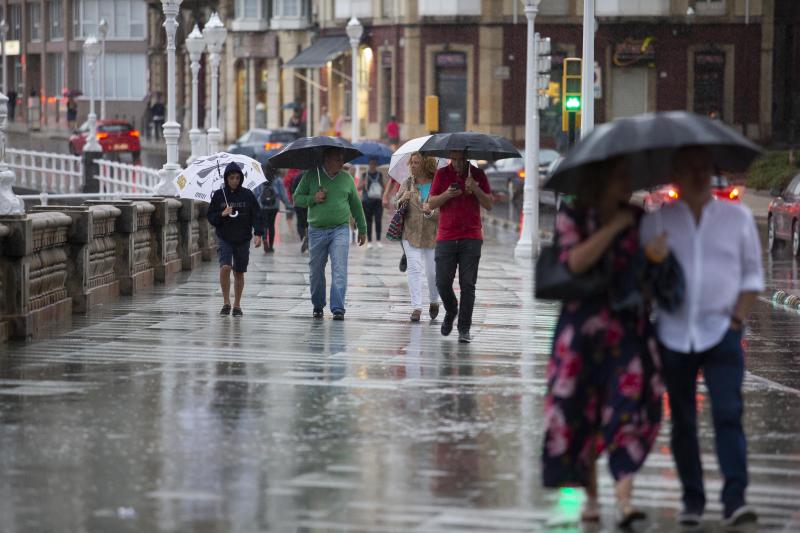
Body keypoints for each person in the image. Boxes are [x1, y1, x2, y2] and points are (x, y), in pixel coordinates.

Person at [542, 157, 678, 528]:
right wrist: (611, 229)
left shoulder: (638, 217)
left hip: (627, 329)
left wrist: (656, 259)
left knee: (630, 410)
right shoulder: (574, 215)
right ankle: (592, 500)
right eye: (620, 177)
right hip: (582, 331)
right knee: (580, 414)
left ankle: (625, 502)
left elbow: (649, 274)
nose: (627, 184)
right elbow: (574, 263)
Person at [640, 146, 763, 529]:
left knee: (729, 414)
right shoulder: (658, 222)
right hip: (673, 335)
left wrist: (736, 323)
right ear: (675, 174)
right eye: (688, 168)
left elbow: (752, 279)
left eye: (703, 168)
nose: (696, 175)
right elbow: (640, 289)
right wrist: (652, 260)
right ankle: (692, 499)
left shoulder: (737, 219)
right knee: (683, 422)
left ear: (712, 173)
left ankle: (735, 500)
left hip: (721, 334)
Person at [426, 151, 493, 343]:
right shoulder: (442, 174)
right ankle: (451, 309)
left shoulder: (478, 175)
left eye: (460, 159)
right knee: (442, 282)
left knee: (468, 284)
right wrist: (447, 194)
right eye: (453, 159)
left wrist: (476, 190)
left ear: (467, 158)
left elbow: (489, 204)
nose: (456, 163)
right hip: (446, 236)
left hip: (471, 237)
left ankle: (464, 328)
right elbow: (430, 203)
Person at [293, 148, 367, 319]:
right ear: (326, 159)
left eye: (342, 160)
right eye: (337, 159)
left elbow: (356, 205)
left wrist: (362, 229)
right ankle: (318, 304)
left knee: (340, 268)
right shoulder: (312, 175)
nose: (342, 163)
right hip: (316, 230)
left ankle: (338, 308)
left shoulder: (347, 179)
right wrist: (313, 198)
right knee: (316, 270)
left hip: (340, 229)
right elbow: (297, 198)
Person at [207, 162, 264, 317]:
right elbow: (210, 217)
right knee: (225, 267)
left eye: (237, 178)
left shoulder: (247, 195)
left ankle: (237, 305)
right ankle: (226, 302)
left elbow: (256, 215)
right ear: (226, 179)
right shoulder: (219, 195)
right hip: (225, 237)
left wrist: (258, 234)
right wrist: (221, 214)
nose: (234, 181)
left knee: (239, 272)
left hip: (243, 238)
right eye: (231, 178)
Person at [394, 152, 440, 322]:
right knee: (414, 268)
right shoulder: (407, 183)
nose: (412, 166)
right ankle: (417, 307)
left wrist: (431, 212)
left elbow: (444, 210)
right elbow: (395, 203)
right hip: (410, 232)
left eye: (416, 163)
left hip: (431, 234)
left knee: (432, 273)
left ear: (426, 164)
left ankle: (434, 301)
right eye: (411, 162)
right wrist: (401, 199)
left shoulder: (438, 184)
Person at [256, 174, 291, 254]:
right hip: (274, 206)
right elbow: (282, 194)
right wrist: (288, 205)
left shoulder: (260, 178)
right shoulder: (277, 180)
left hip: (263, 206)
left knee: (264, 224)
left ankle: (264, 239)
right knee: (271, 225)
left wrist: (253, 205)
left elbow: (257, 193)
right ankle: (271, 246)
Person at [359, 158, 386, 249]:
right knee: (368, 221)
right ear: (369, 164)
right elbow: (358, 187)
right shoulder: (364, 175)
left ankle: (378, 240)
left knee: (378, 220)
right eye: (371, 164)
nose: (372, 166)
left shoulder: (380, 174)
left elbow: (383, 186)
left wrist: (383, 192)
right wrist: (364, 183)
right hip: (367, 201)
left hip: (378, 201)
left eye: (374, 164)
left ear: (376, 165)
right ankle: (369, 241)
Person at [289, 168, 309, 253]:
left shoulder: (297, 176)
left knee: (300, 222)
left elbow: (292, 190)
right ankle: (308, 236)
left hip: (298, 203)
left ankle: (303, 236)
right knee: (309, 222)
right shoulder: (311, 176)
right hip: (308, 203)